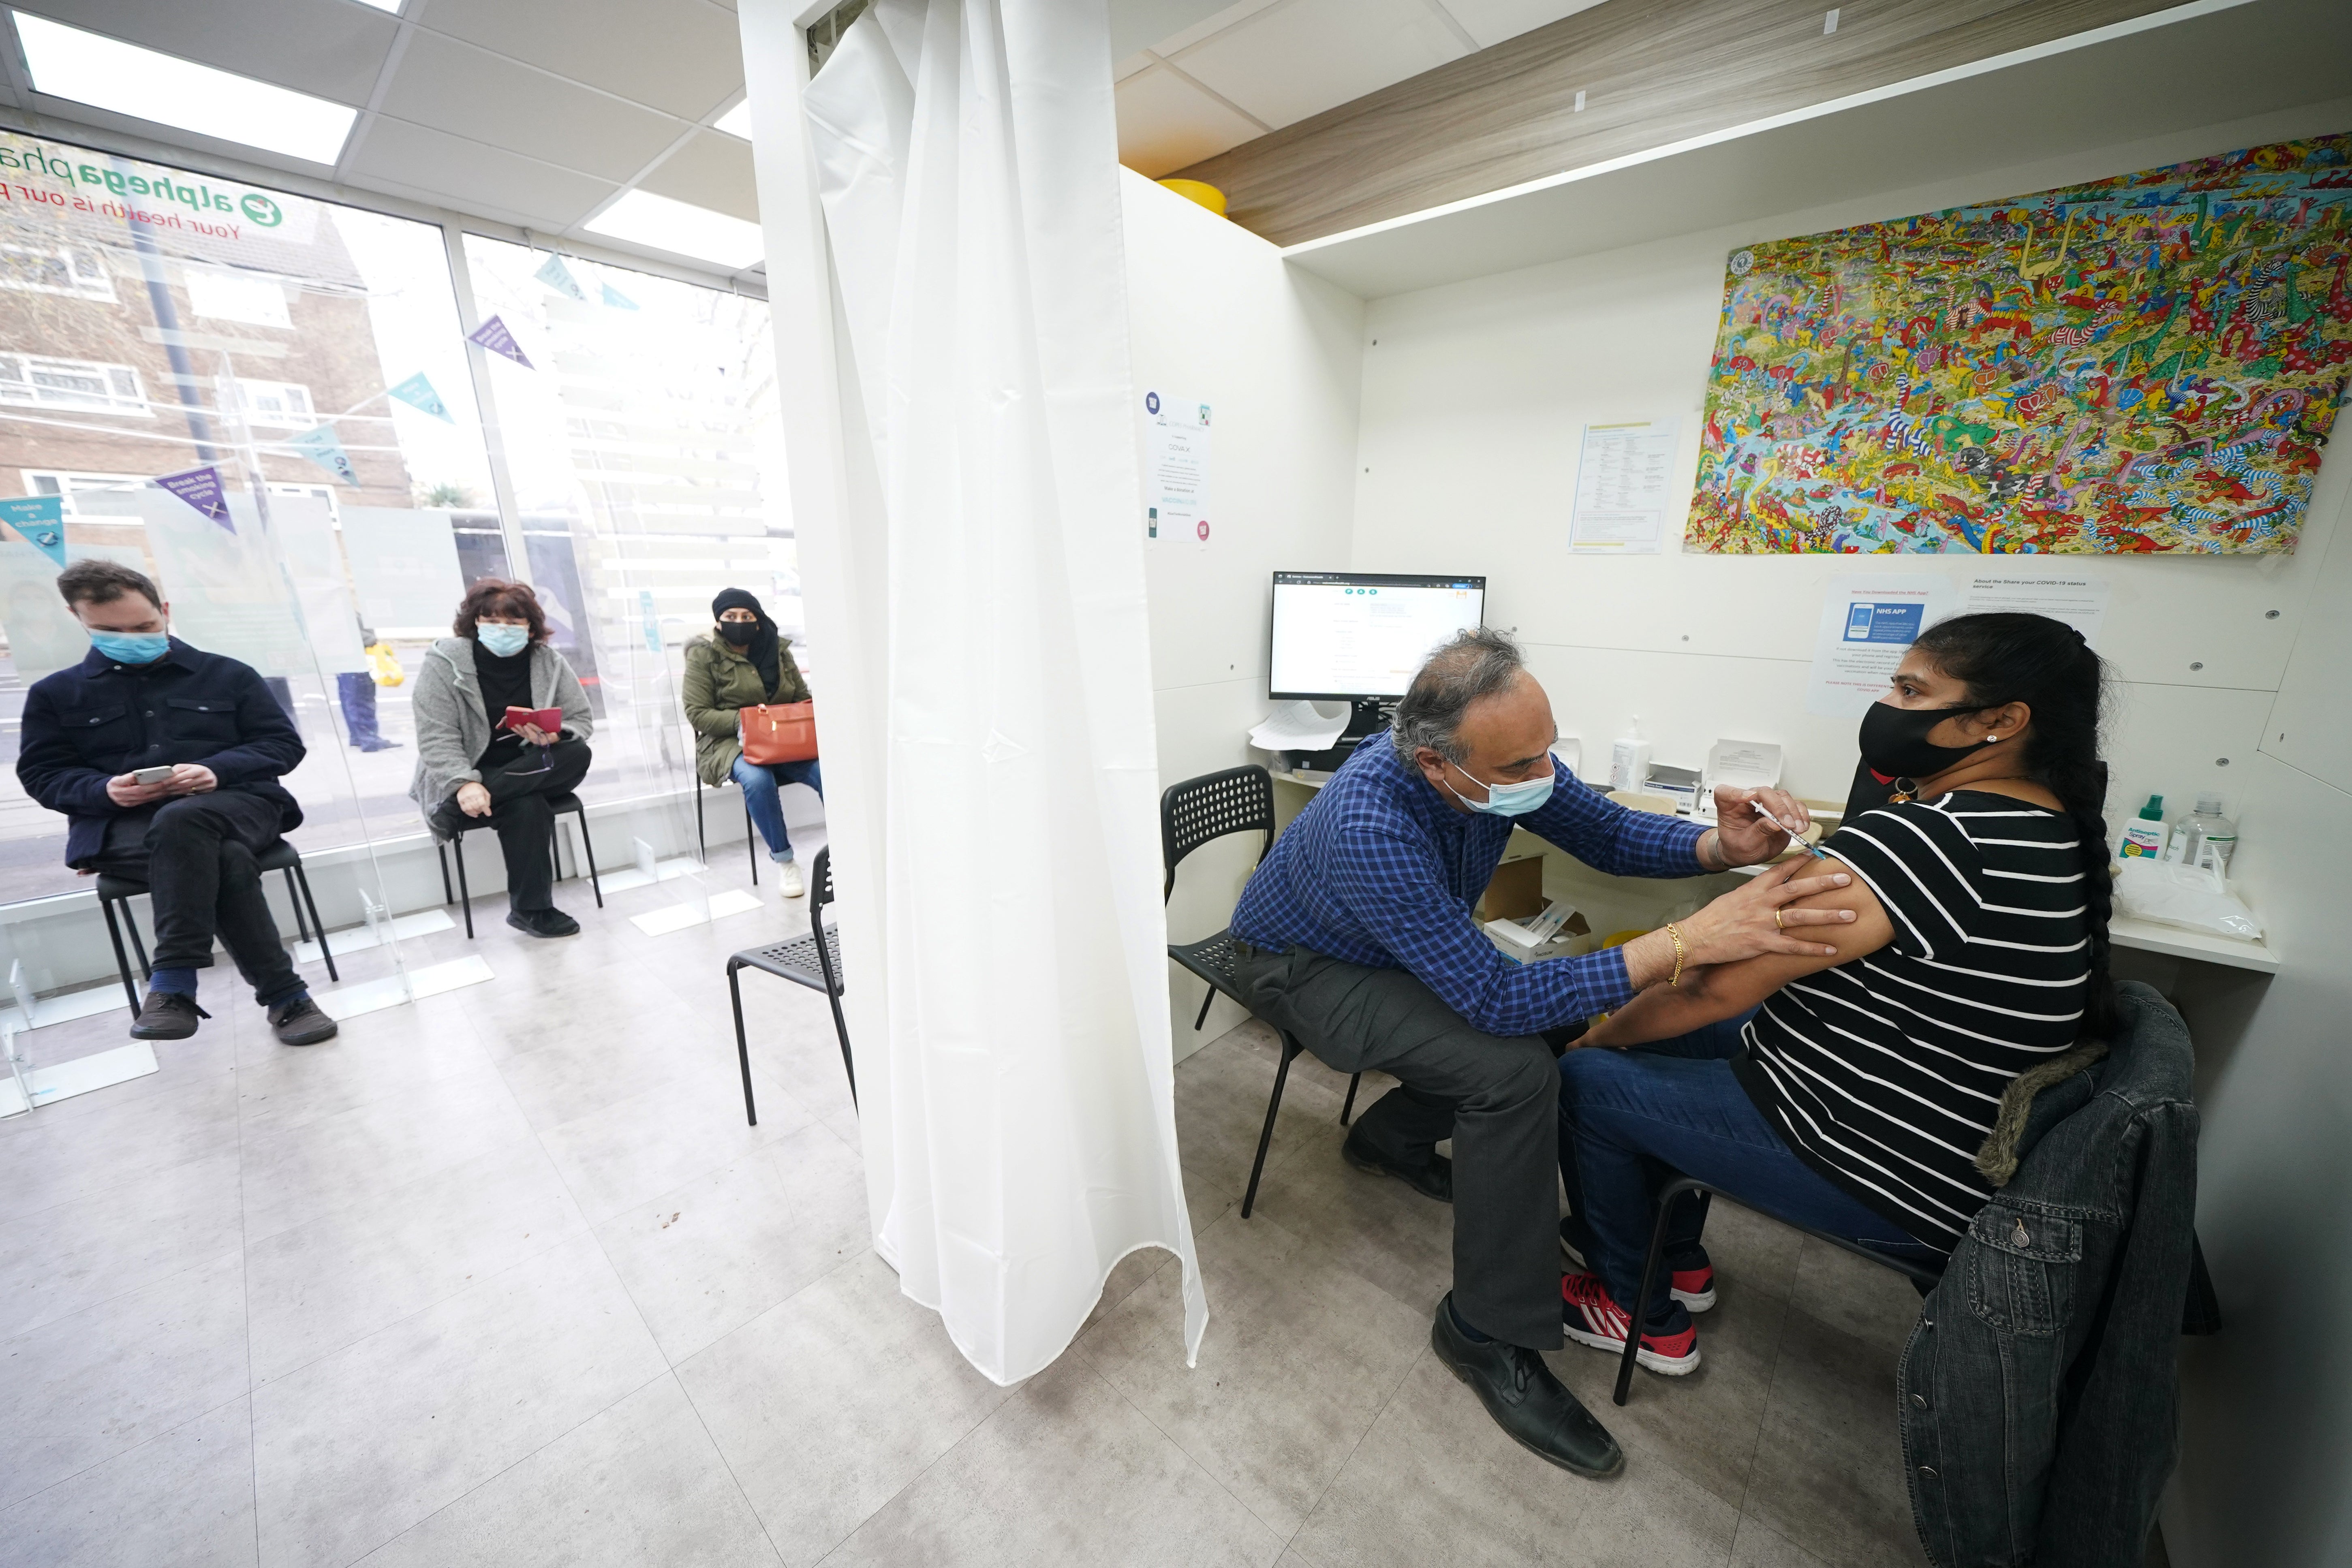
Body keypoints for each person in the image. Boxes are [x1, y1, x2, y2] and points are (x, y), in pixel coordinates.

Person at [1225, 627, 1854, 1475]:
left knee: (1557, 1019)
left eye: (1545, 753)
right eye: (1523, 767)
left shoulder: (1496, 765)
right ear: (1435, 764)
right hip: (1298, 967)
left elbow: (1605, 833)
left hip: (1380, 947)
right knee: (1512, 1071)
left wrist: (1719, 848)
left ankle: (1389, 1139)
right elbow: (1492, 999)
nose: (1542, 778)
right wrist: (1684, 942)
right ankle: (1484, 1330)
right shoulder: (1372, 823)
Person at [1556, 612, 2107, 1382]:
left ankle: (1635, 1313)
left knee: (1587, 1080)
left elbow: (1710, 983)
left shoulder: (1924, 838)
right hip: (1931, 1121)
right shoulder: (2043, 822)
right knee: (1673, 1037)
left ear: (2000, 721)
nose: (1887, 704)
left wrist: (1593, 1039)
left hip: (1890, 1165)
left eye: (1910, 690)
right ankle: (1672, 1258)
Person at [14, 560, 338, 1046]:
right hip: (126, 827)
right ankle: (287, 999)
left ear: (164, 610)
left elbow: (282, 746)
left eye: (144, 626)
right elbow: (43, 775)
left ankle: (173, 982)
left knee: (187, 819)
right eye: (110, 630)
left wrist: (217, 770)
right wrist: (104, 790)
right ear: (78, 619)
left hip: (236, 804)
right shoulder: (55, 694)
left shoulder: (229, 675)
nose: (131, 637)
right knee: (221, 856)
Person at [408, 579, 594, 938]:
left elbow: (581, 721)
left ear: (531, 628)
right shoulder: (444, 662)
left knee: (577, 752)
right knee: (528, 806)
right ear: (474, 622)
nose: (503, 630)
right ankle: (532, 911)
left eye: (514, 623)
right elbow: (435, 735)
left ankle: (452, 812)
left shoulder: (548, 662)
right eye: (492, 621)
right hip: (469, 769)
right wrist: (463, 784)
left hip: (534, 764)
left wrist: (556, 734)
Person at [682, 588, 820, 899]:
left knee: (829, 772)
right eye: (731, 617)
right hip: (729, 743)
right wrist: (747, 724)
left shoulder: (777, 651)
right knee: (757, 780)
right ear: (718, 622)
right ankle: (786, 862)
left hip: (784, 740)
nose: (739, 622)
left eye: (747, 616)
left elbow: (801, 697)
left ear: (758, 621)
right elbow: (697, 713)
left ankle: (847, 853)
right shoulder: (704, 656)